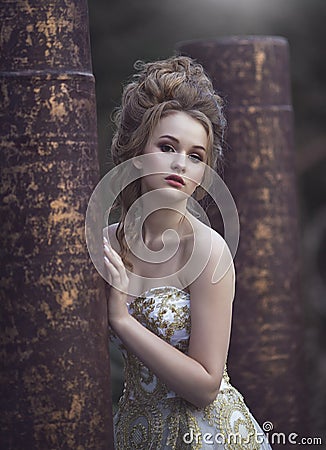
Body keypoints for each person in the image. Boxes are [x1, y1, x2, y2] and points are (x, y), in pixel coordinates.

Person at [103, 56, 272, 449]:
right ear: (136, 151)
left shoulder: (208, 251)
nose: (181, 163)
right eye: (167, 146)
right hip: (135, 435)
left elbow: (207, 386)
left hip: (208, 437)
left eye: (196, 156)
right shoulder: (107, 244)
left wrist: (122, 321)